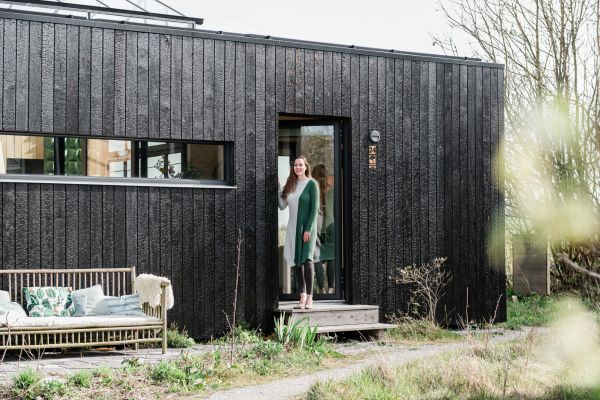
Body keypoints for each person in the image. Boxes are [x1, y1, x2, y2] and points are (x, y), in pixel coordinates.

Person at [278, 155, 320, 309]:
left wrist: (308, 229)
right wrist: (278, 188)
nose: (298, 167)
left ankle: (310, 297)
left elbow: (315, 209)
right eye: (295, 165)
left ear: (306, 166)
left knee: (307, 261)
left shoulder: (312, 184)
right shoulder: (291, 185)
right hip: (292, 228)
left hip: (307, 228)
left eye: (300, 165)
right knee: (297, 263)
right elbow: (282, 205)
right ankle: (302, 296)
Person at [312, 164, 335, 294]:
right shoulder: (332, 191)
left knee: (317, 258)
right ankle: (331, 289)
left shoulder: (313, 190)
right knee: (331, 257)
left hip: (316, 227)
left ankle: (321, 289)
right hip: (331, 226)